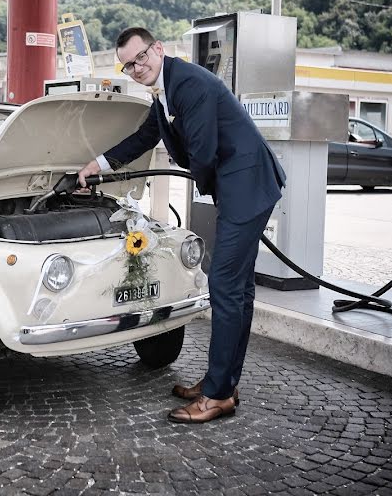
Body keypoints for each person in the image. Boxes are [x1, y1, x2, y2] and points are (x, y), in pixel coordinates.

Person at [77, 28, 286, 424]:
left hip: (246, 182)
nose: (136, 68)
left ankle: (218, 395)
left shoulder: (190, 83)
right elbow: (145, 136)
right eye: (128, 64)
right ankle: (221, 381)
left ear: (158, 49)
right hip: (240, 185)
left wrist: (205, 184)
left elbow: (203, 151)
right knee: (237, 289)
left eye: (141, 58)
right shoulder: (164, 90)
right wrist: (97, 165)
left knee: (225, 285)